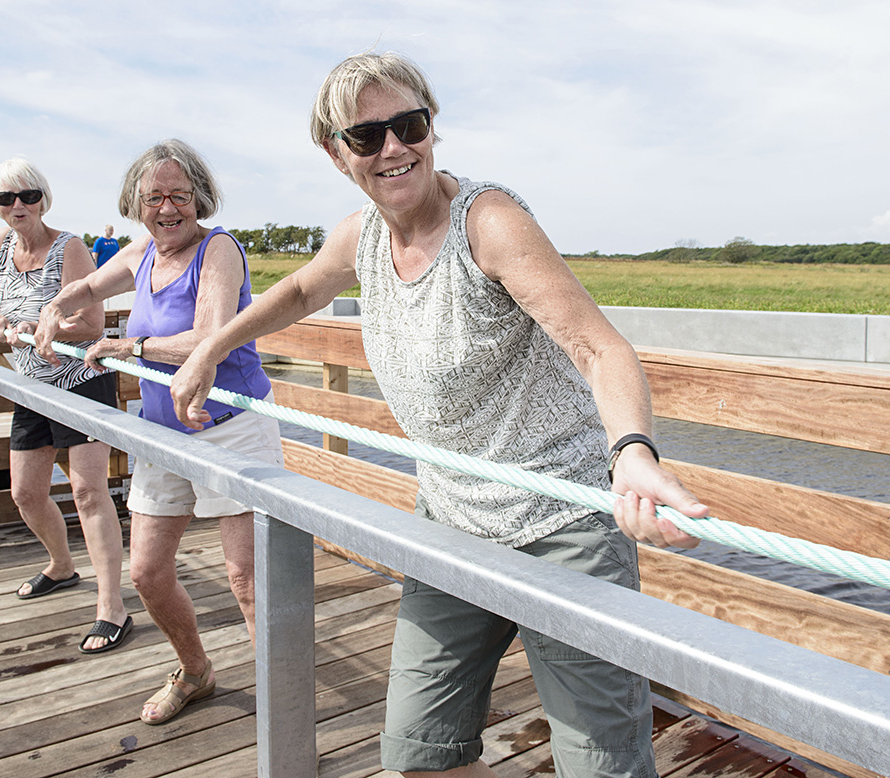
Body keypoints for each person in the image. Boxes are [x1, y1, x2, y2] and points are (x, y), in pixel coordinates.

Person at [170, 53, 708, 777]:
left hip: (561, 527)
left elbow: (599, 349)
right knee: (421, 754)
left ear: (431, 128)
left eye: (409, 125)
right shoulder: (359, 236)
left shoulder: (487, 222)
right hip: (452, 523)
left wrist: (633, 451)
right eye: (367, 137)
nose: (394, 148)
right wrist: (213, 346)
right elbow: (299, 290)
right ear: (337, 154)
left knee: (602, 767)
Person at [34, 139, 284, 726]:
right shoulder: (144, 250)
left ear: (200, 198)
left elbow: (211, 336)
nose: (166, 207)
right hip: (162, 431)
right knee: (146, 572)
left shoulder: (218, 250)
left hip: (231, 426)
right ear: (136, 204)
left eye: (179, 195)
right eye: (153, 197)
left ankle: (283, 703)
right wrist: (52, 309)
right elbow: (90, 288)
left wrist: (132, 347)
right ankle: (196, 671)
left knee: (246, 579)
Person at [0, 158, 131, 654]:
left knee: (87, 493)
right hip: (32, 388)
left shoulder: (70, 248)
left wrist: (48, 327)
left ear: (44, 199)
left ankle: (111, 605)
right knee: (26, 493)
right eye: (5, 199)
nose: (18, 206)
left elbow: (93, 324)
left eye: (28, 196)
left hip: (80, 383)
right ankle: (61, 565)